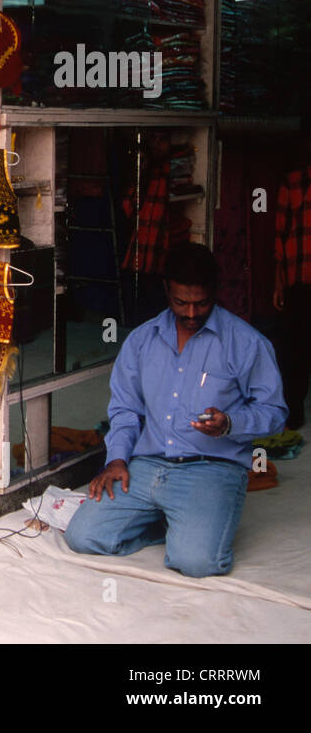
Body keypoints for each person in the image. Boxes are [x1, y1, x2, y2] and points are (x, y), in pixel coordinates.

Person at [64, 243, 287, 578]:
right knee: (82, 536)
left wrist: (231, 424)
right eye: (182, 302)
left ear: (216, 292)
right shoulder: (141, 341)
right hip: (147, 465)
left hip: (212, 469)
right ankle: (172, 521)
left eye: (202, 303)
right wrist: (117, 460)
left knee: (197, 562)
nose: (192, 313)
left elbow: (274, 412)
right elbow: (125, 409)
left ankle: (188, 525)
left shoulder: (247, 343)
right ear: (167, 290)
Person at [271, 122, 311, 430]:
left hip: (299, 277)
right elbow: (280, 238)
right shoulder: (293, 183)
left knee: (297, 349)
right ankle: (294, 411)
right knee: (294, 350)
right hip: (299, 279)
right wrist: (279, 283)